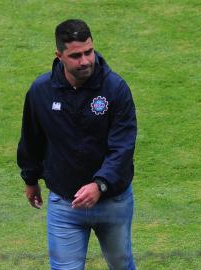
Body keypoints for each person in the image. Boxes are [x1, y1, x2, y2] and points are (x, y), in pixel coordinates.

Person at [17, 19, 137, 270]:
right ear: (59, 55)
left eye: (88, 52)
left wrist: (99, 184)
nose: (85, 61)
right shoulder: (41, 91)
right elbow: (31, 138)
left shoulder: (115, 89)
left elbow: (123, 146)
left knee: (121, 265)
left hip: (112, 202)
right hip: (65, 204)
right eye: (76, 55)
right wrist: (30, 179)